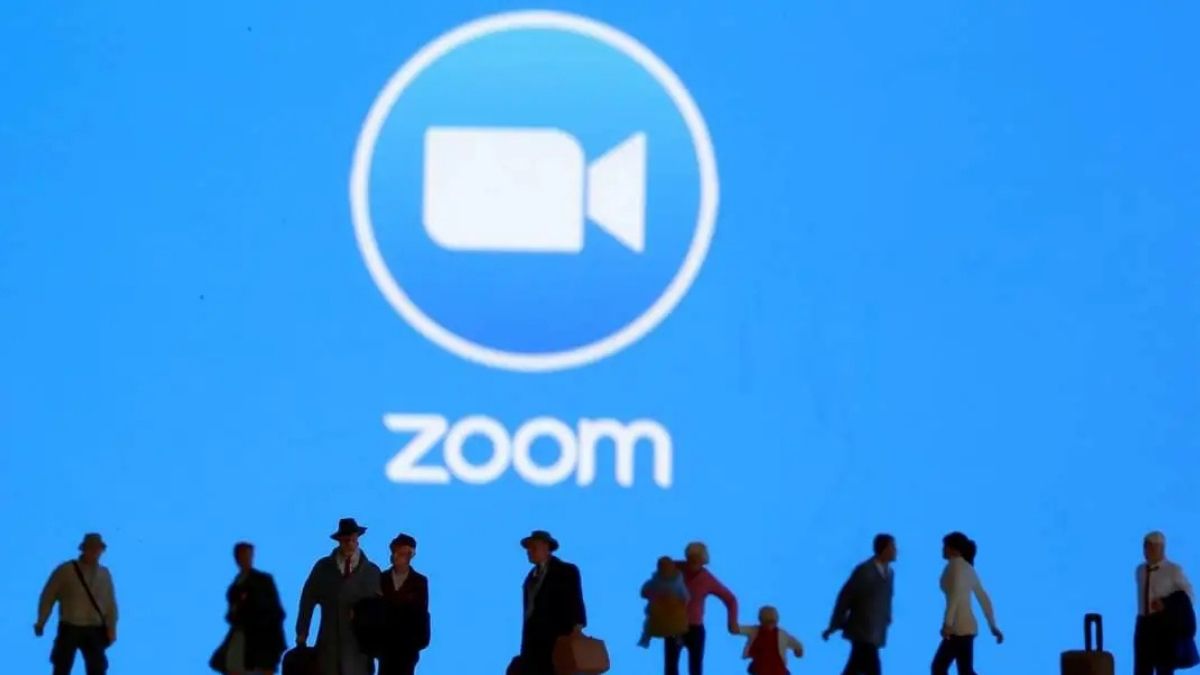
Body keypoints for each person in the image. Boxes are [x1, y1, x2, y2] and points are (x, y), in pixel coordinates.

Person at [297, 518, 382, 675]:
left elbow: (380, 611)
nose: (349, 543)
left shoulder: (371, 572)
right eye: (345, 539)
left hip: (359, 648)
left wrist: (378, 645)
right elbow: (307, 600)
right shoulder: (323, 568)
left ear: (358, 539)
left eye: (352, 539)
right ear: (339, 541)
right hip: (329, 643)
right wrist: (302, 633)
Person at [35, 533, 119, 675]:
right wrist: (41, 621)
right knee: (62, 667)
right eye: (91, 548)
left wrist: (112, 628)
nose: (95, 552)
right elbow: (48, 596)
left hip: (94, 629)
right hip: (70, 627)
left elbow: (110, 604)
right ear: (84, 549)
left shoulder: (104, 574)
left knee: (97, 668)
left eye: (97, 549)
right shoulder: (66, 570)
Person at [822, 533, 897, 675]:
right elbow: (845, 597)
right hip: (862, 630)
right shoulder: (865, 571)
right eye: (892, 547)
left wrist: (887, 618)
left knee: (855, 666)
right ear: (884, 549)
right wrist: (835, 624)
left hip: (875, 631)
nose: (895, 551)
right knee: (872, 667)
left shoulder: (890, 574)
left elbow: (886, 599)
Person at [210, 542, 287, 675]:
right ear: (237, 559)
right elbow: (232, 613)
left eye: (249, 556)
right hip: (243, 637)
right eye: (243, 556)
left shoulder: (263, 581)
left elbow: (275, 610)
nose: (247, 560)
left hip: (263, 638)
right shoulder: (235, 586)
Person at [931, 532, 1002, 675]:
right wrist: (992, 625)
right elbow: (983, 598)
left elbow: (955, 596)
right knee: (965, 671)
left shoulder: (955, 567)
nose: (942, 549)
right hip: (967, 627)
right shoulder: (967, 568)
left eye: (945, 546)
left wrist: (947, 624)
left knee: (939, 668)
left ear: (954, 549)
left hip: (957, 628)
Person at [518, 530, 587, 675]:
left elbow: (576, 602)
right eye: (528, 548)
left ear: (546, 547)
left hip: (558, 642)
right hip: (533, 646)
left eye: (533, 547)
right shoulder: (530, 579)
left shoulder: (566, 571)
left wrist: (577, 629)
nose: (529, 551)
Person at [666, 541, 740, 675]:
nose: (692, 564)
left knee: (695, 668)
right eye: (690, 560)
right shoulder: (675, 568)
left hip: (694, 629)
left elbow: (730, 599)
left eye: (696, 561)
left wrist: (732, 621)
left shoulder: (707, 579)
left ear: (703, 562)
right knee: (671, 668)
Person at [1135, 531, 1195, 675]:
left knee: (1164, 668)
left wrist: (1166, 603)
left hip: (1163, 625)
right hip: (1144, 623)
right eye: (1146, 547)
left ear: (1162, 548)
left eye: (1152, 547)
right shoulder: (1140, 570)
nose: (1148, 551)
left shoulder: (1174, 570)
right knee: (1141, 667)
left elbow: (1189, 596)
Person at [378, 533, 431, 675]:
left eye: (402, 553)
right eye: (394, 552)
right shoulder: (382, 578)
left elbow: (422, 614)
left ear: (410, 556)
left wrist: (417, 643)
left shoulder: (419, 582)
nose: (396, 556)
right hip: (385, 648)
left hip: (408, 649)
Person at [639, 556, 690, 647]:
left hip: (673, 609)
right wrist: (652, 596)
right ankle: (645, 639)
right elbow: (644, 592)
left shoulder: (676, 581)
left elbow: (684, 595)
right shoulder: (655, 581)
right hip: (658, 609)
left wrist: (682, 602)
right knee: (651, 624)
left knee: (677, 625)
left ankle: (679, 638)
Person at [738, 605, 804, 675]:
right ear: (761, 620)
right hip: (761, 668)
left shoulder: (782, 634)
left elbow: (797, 645)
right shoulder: (754, 630)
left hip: (777, 670)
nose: (769, 625)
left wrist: (799, 651)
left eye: (772, 621)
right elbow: (736, 629)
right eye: (766, 621)